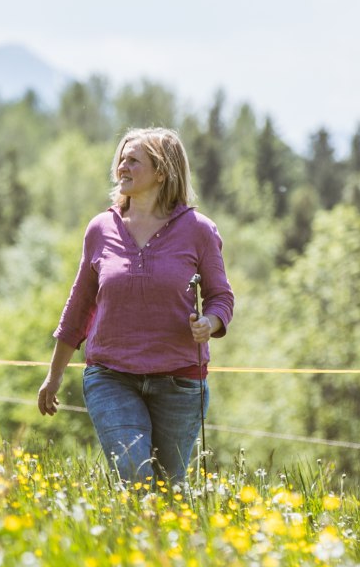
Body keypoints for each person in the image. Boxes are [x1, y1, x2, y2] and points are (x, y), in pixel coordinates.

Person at [36, 127, 234, 486]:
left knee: (170, 488)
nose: (122, 168)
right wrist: (54, 375)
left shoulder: (199, 230)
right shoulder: (100, 229)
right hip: (111, 375)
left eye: (133, 161)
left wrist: (210, 322)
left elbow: (222, 297)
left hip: (180, 381)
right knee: (134, 475)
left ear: (161, 172)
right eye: (121, 160)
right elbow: (78, 307)